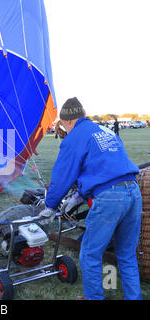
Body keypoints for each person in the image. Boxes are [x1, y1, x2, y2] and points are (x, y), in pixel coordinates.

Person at [39, 97, 142, 300]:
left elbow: (62, 176)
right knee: (127, 255)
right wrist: (79, 196)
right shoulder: (105, 131)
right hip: (133, 192)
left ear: (67, 121)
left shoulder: (75, 136)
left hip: (110, 198)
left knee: (90, 253)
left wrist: (50, 207)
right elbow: (105, 167)